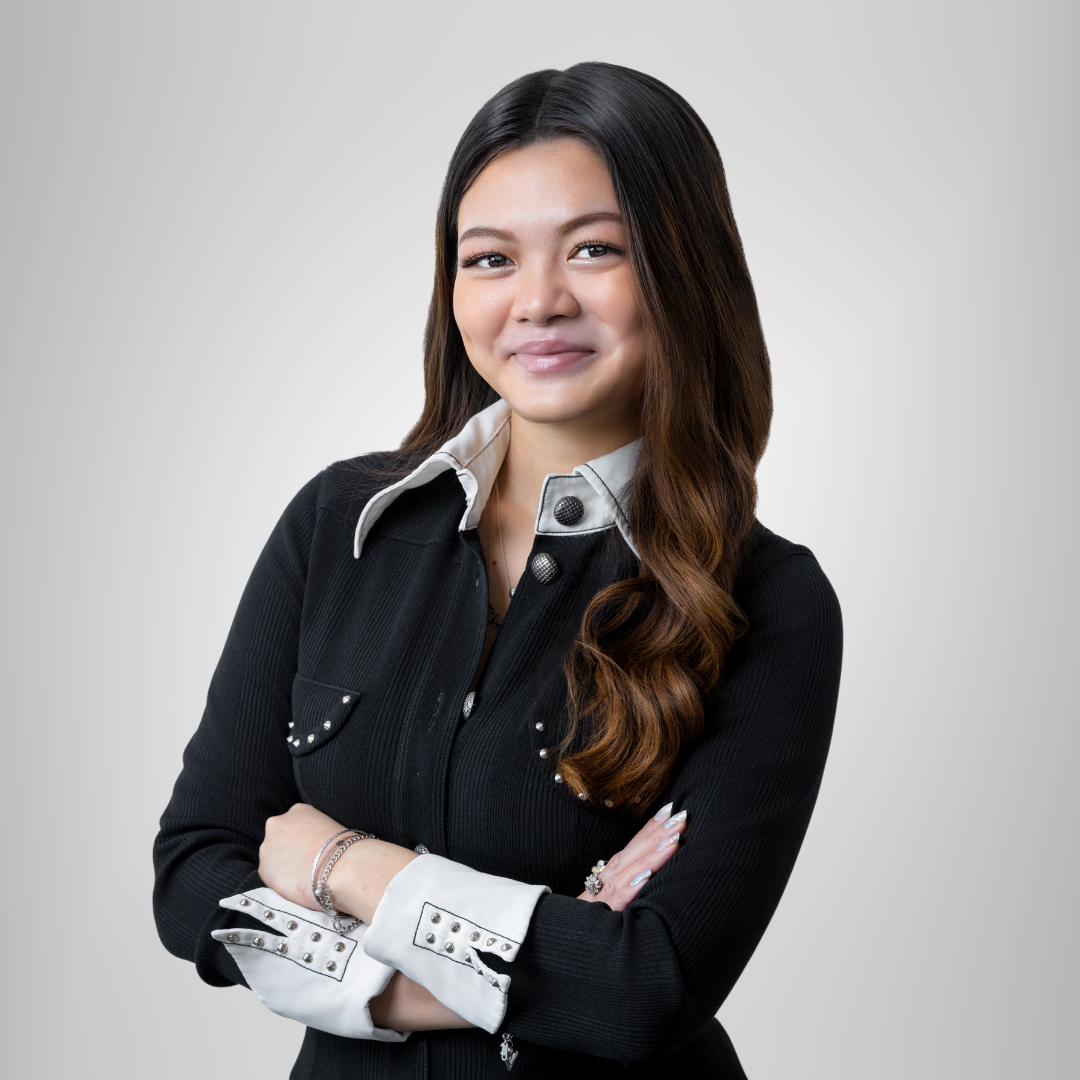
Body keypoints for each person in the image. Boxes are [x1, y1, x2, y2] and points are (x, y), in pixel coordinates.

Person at [153, 62, 843, 1079]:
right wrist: (510, 955)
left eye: (596, 249)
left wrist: (343, 867)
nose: (538, 300)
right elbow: (193, 875)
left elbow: (647, 988)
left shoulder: (769, 601)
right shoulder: (337, 527)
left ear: (683, 269)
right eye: (489, 259)